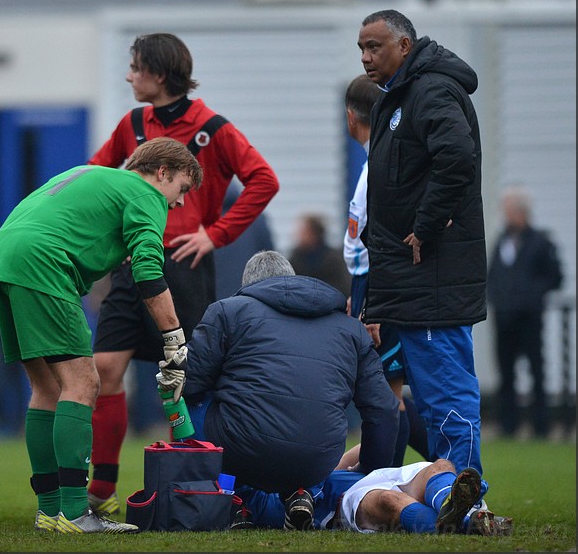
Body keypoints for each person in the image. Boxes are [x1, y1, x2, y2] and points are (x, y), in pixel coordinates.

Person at [87, 32, 279, 515]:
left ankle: (185, 489)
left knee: (184, 379)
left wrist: (215, 235)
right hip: (133, 264)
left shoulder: (212, 127)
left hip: (186, 267)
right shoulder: (132, 124)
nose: (129, 76)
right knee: (104, 369)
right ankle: (100, 492)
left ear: (158, 72)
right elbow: (95, 174)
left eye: (135, 67)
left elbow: (264, 179)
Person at [0, 136, 203, 534]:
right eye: (182, 189)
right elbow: (149, 273)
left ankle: (50, 511)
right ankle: (74, 511)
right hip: (42, 263)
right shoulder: (145, 194)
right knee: (84, 382)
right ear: (162, 172)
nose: (180, 202)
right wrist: (174, 337)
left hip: (2, 257)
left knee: (46, 388)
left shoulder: (93, 173)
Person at [160, 250, 399, 529]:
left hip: (242, 452)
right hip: (316, 459)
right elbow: (384, 409)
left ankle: (230, 498)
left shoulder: (227, 311)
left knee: (184, 400)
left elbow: (192, 384)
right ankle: (300, 492)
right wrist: (368, 471)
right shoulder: (351, 329)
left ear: (248, 287)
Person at [357, 9, 488, 475]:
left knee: (445, 391)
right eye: (361, 49)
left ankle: (465, 492)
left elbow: (457, 155)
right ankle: (447, 489)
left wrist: (427, 224)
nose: (366, 57)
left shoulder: (430, 89)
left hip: (433, 274)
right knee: (432, 399)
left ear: (405, 46)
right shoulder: (399, 96)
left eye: (375, 47)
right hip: (412, 278)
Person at [342, 73, 431, 466]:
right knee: (388, 392)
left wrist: (369, 303)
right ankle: (450, 463)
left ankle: (382, 481)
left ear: (350, 117)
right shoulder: (376, 164)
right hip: (375, 286)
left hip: (378, 288)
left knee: (385, 395)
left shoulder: (373, 172)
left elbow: (374, 245)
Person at [236, 446, 509, 536]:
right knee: (389, 500)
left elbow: (354, 453)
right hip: (345, 504)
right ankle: (467, 522)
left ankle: (452, 503)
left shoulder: (306, 463)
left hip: (373, 476)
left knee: (439, 466)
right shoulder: (258, 498)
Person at [487, 186, 563, 438]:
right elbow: (494, 275)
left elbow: (554, 277)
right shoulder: (502, 241)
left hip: (530, 318)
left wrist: (530, 295)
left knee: (536, 371)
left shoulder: (541, 242)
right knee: (506, 372)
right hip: (505, 317)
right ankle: (508, 425)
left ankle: (540, 426)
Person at [289, 212, 351, 298]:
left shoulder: (334, 260)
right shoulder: (295, 259)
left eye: (303, 232)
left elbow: (344, 287)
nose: (298, 235)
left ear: (314, 234)